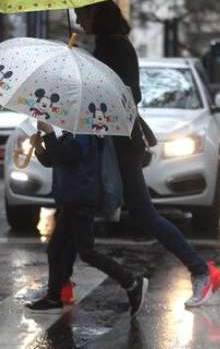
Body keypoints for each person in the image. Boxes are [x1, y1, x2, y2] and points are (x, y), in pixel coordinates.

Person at [74, 0, 220, 308]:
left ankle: (201, 270)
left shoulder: (116, 46)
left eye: (82, 14)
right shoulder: (106, 46)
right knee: (75, 209)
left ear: (96, 14)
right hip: (111, 140)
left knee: (142, 214)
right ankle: (58, 285)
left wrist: (89, 73)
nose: (78, 21)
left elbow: (131, 93)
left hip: (120, 141)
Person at [24, 120, 148, 316]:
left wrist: (48, 134)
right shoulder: (72, 130)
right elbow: (52, 160)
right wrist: (38, 146)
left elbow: (68, 155)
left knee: (87, 252)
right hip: (71, 198)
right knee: (55, 249)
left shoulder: (85, 130)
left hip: (82, 198)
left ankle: (131, 282)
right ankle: (53, 297)